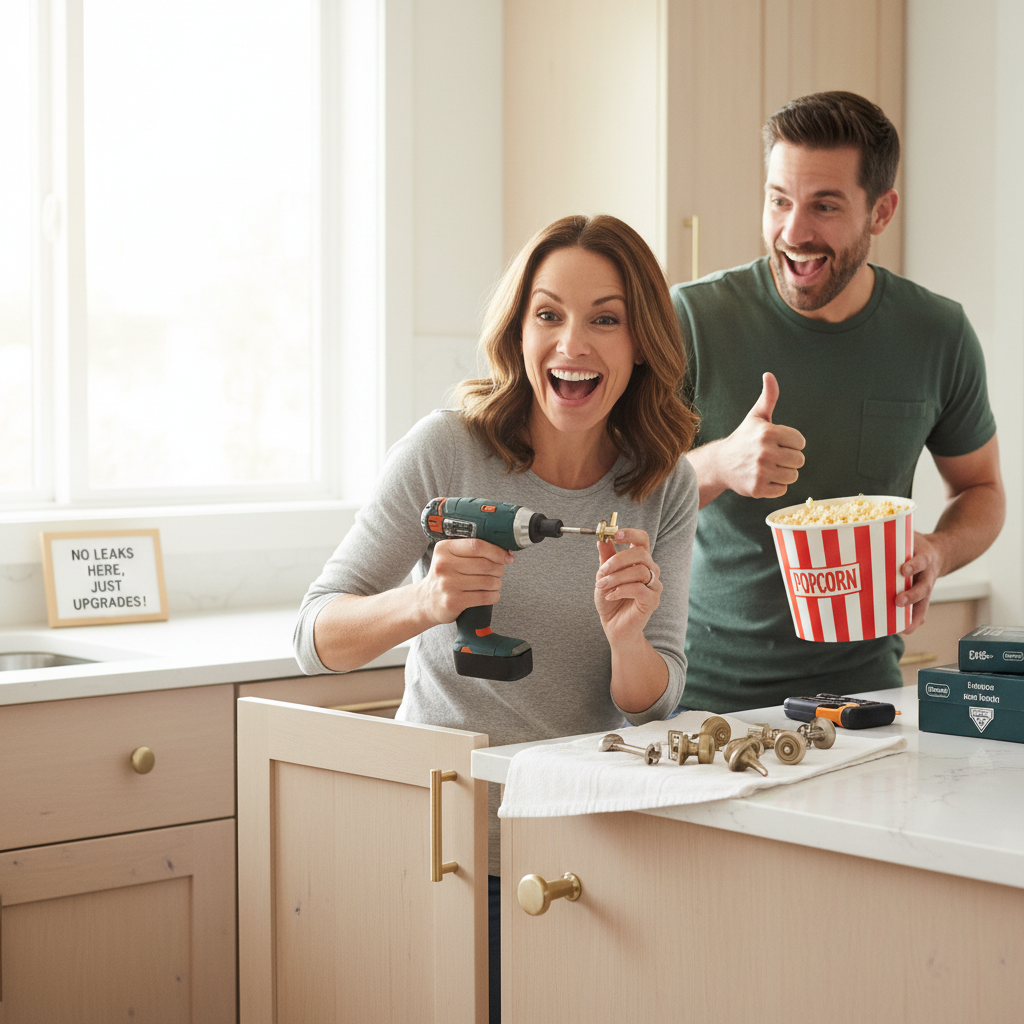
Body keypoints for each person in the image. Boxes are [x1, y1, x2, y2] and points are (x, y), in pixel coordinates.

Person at [294, 213, 700, 1023]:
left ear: (642, 342)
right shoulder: (447, 450)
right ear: (518, 333)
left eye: (605, 318)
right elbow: (313, 638)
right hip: (447, 842)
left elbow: (654, 701)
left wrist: (627, 638)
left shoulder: (662, 484)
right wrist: (425, 602)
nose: (572, 343)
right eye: (547, 314)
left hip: (583, 841)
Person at [672, 91, 1005, 713]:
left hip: (863, 701)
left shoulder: (937, 334)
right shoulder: (691, 318)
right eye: (779, 201)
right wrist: (718, 465)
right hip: (703, 702)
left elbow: (982, 490)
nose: (793, 233)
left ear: (881, 211)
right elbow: (616, 497)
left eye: (824, 206)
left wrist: (936, 550)